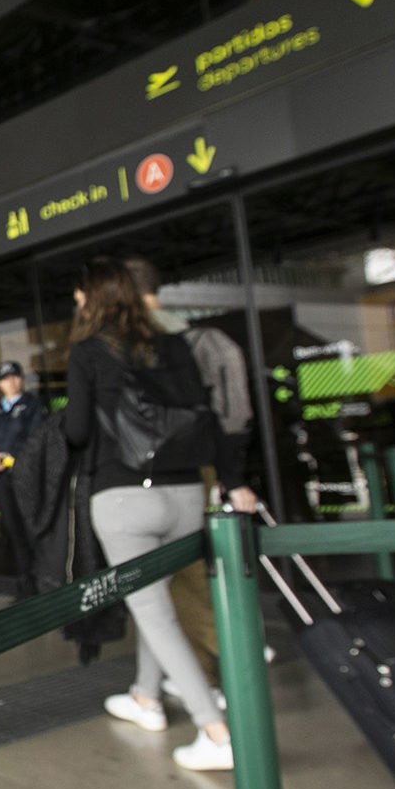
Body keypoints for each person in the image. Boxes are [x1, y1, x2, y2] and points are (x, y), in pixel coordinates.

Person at [63, 257, 252, 772]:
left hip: (124, 498)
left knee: (156, 614)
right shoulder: (171, 345)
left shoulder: (87, 353)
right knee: (157, 601)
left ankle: (215, 730)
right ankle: (146, 697)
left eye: (80, 293)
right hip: (186, 495)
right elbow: (207, 417)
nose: (75, 302)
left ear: (93, 297)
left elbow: (77, 432)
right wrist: (233, 481)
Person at [126, 257, 259, 695]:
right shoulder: (195, 331)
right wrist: (231, 472)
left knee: (180, 571)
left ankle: (229, 653)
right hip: (209, 459)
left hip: (175, 466)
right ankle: (200, 673)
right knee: (189, 569)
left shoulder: (151, 339)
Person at [0, 361, 45, 597]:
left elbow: (36, 439)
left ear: (22, 379)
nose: (11, 382)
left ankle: (44, 580)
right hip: (1, 478)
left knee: (32, 527)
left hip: (25, 475)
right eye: (6, 378)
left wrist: (9, 457)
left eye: (15, 377)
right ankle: (26, 583)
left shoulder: (33, 405)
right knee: (14, 529)